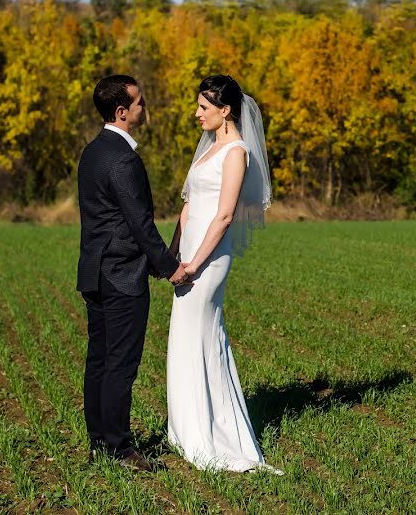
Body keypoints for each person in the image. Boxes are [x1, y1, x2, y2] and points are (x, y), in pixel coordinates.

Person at [166, 74, 281, 474]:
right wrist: (173, 250)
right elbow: (189, 203)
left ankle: (212, 435)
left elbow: (226, 214)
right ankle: (185, 429)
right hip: (187, 253)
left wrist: (195, 263)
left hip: (210, 259)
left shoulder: (236, 152)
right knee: (184, 338)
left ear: (225, 110)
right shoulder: (208, 149)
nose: (196, 114)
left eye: (203, 107)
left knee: (203, 336)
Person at [77, 75, 188, 471]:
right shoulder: (124, 159)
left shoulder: (92, 152)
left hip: (94, 271)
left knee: (99, 361)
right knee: (121, 364)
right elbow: (139, 224)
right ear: (122, 112)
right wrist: (170, 267)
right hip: (121, 275)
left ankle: (98, 442)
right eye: (140, 102)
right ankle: (122, 449)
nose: (145, 107)